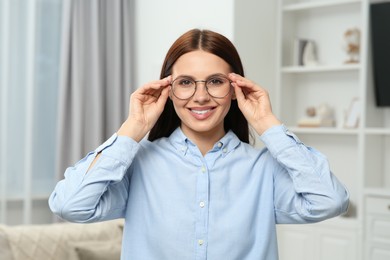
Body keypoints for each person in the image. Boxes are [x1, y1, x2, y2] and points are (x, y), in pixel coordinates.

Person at [49, 28, 349, 260]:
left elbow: (329, 201)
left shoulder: (263, 169)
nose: (201, 96)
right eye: (186, 82)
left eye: (215, 81)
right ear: (168, 89)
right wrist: (132, 129)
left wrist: (267, 123)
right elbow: (69, 205)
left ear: (235, 89)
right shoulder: (137, 164)